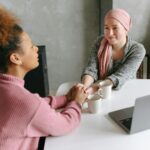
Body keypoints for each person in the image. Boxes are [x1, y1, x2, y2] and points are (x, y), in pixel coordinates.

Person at [0, 6, 88, 150]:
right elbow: (65, 124)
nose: (36, 49)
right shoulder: (24, 101)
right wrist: (77, 102)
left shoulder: (7, 88)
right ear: (16, 58)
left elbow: (35, 104)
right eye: (31, 46)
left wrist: (65, 99)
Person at [81, 8, 146, 93]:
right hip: (102, 93)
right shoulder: (99, 43)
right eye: (106, 28)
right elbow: (91, 69)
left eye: (115, 28)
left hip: (127, 92)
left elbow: (121, 75)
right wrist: (84, 88)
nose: (110, 33)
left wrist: (98, 86)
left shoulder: (137, 50)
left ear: (126, 29)